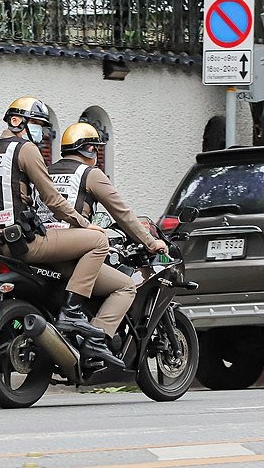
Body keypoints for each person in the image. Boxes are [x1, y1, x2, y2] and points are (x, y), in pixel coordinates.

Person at [0, 97, 117, 363]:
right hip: (23, 244)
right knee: (97, 241)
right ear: (18, 122)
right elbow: (52, 199)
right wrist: (85, 223)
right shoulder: (26, 150)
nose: (41, 132)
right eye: (37, 124)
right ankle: (73, 312)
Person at [36, 121, 168, 364]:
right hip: (71, 255)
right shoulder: (89, 174)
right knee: (126, 286)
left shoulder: (47, 171)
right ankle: (95, 341)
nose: (96, 154)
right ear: (88, 150)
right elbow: (122, 213)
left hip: (42, 251)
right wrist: (151, 243)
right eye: (95, 149)